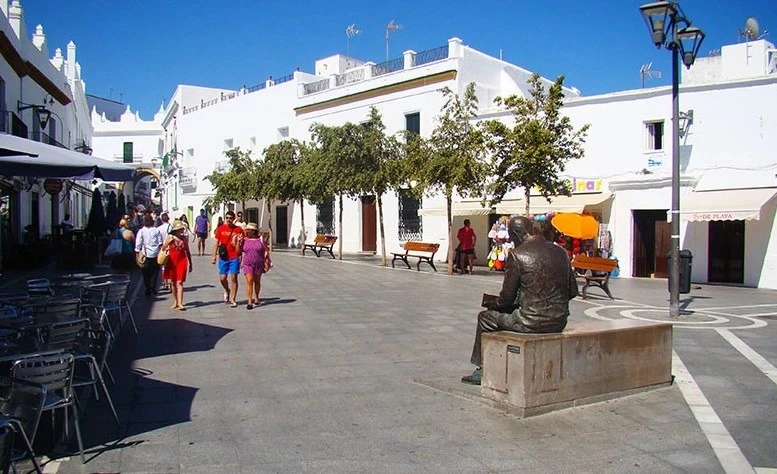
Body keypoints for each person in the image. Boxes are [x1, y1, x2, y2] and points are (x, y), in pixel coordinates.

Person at [461, 216, 579, 385]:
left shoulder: (517, 255)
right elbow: (572, 291)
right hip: (559, 321)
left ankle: (482, 370)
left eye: (511, 236)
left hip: (530, 322)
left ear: (516, 234)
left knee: (485, 318)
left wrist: (493, 304)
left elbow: (507, 298)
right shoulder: (560, 252)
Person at [212, 210, 244, 307]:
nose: (229, 220)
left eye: (230, 218)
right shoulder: (221, 229)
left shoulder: (238, 230)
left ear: (234, 219)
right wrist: (213, 256)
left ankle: (233, 298)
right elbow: (216, 243)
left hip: (234, 256)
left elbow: (242, 244)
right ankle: (227, 290)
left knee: (234, 277)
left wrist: (241, 256)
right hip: (223, 257)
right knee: (222, 278)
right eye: (227, 218)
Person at [236, 223, 269, 310]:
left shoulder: (260, 240)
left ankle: (256, 297)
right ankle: (249, 301)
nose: (246, 231)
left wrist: (266, 259)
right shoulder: (244, 240)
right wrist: (238, 243)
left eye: (248, 230)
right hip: (247, 264)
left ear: (253, 231)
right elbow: (238, 252)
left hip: (259, 263)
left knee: (257, 281)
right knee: (250, 281)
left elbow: (266, 250)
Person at [162, 220, 193, 310]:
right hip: (172, 261)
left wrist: (191, 263)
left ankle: (180, 302)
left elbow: (187, 251)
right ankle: (175, 301)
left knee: (179, 282)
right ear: (176, 230)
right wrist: (168, 242)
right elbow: (163, 248)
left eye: (182, 229)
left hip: (182, 261)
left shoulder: (184, 239)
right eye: (180, 230)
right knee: (173, 282)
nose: (182, 231)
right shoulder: (170, 237)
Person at [135, 215, 164, 296]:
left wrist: (137, 254)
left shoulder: (141, 231)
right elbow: (160, 242)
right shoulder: (156, 230)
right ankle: (153, 286)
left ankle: (147, 287)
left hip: (146, 254)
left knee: (145, 272)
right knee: (155, 272)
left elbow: (138, 243)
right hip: (155, 254)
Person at [157, 213, 173, 291]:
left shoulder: (159, 229)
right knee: (170, 267)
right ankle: (171, 283)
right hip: (171, 248)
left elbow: (159, 240)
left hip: (163, 248)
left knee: (163, 267)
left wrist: (161, 249)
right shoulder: (171, 227)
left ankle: (165, 283)